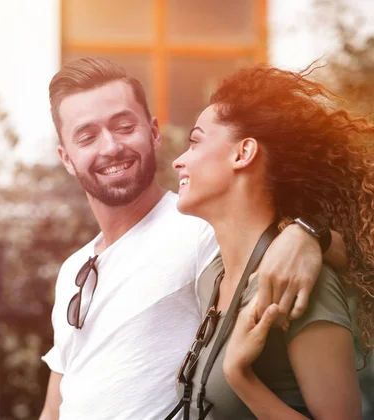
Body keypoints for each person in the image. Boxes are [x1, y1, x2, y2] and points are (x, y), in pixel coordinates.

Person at [39, 57, 347, 420]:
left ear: (154, 133)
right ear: (67, 158)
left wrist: (308, 235)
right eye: (87, 137)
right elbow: (56, 405)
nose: (110, 147)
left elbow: (328, 250)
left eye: (124, 127)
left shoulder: (201, 228)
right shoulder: (72, 269)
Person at [170, 64, 372, 419]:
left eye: (195, 142)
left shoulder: (303, 284)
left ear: (242, 153)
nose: (178, 161)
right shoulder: (212, 278)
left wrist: (241, 378)